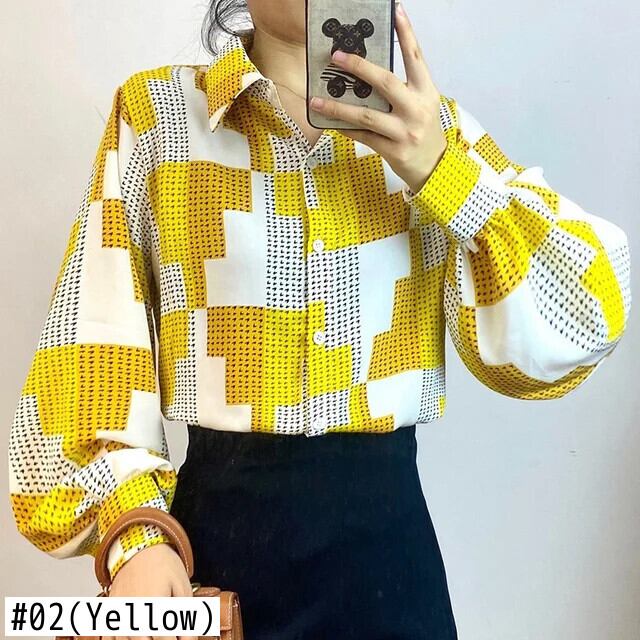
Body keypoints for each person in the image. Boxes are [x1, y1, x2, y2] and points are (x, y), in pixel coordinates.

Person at [8, 1, 632, 639]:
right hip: (210, 560)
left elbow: (587, 314)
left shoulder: (434, 133)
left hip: (388, 571)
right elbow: (92, 350)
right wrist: (137, 538)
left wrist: (445, 175)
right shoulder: (159, 118)